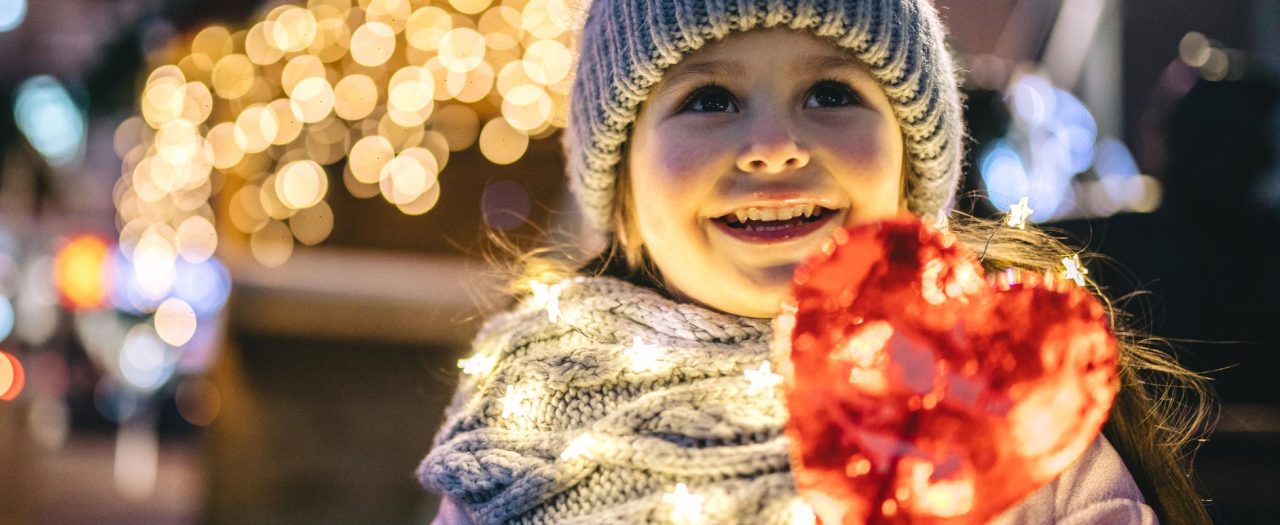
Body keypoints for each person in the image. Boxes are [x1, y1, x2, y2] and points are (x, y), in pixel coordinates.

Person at [417, 0, 1211, 523]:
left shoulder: (1009, 394)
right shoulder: (533, 421)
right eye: (708, 100)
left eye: (831, 93)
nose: (772, 147)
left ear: (912, 162)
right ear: (621, 186)